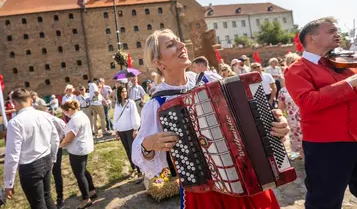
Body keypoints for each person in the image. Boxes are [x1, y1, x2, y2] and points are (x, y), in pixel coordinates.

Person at [132, 29, 290, 209]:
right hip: (206, 190)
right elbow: (139, 151)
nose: (182, 45)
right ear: (158, 62)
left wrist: (273, 121)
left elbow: (248, 114)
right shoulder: (158, 103)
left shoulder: (210, 80)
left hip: (247, 172)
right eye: (171, 45)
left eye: (178, 40)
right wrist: (148, 146)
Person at [284, 17, 357, 209]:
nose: (337, 34)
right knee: (325, 201)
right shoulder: (296, 70)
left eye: (337, 30)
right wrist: (351, 82)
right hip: (327, 146)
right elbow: (309, 101)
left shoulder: (344, 64)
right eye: (331, 31)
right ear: (312, 38)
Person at [4, 88, 59, 209]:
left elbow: (12, 155)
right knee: (47, 197)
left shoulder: (15, 122)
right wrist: (53, 159)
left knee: (39, 203)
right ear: (29, 100)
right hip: (46, 158)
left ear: (15, 103)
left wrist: (9, 182)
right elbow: (55, 139)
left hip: (30, 166)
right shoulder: (44, 115)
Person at [60, 100, 96, 209]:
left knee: (79, 174)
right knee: (84, 170)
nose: (65, 114)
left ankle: (86, 199)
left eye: (65, 112)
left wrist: (59, 146)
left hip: (77, 150)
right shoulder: (81, 115)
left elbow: (69, 138)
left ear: (69, 110)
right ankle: (92, 190)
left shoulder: (75, 119)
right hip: (83, 147)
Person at [278, 53, 303, 160]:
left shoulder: (310, 85)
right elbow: (280, 110)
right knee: (297, 152)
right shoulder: (283, 91)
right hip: (294, 126)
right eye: (291, 64)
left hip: (310, 124)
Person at [113, 86, 142, 177]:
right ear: (119, 93)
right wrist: (116, 130)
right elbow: (115, 118)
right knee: (127, 150)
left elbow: (135, 115)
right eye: (122, 92)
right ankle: (133, 168)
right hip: (121, 130)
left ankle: (139, 169)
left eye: (125, 91)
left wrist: (136, 128)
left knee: (134, 149)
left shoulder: (131, 102)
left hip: (130, 130)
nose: (124, 93)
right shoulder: (117, 104)